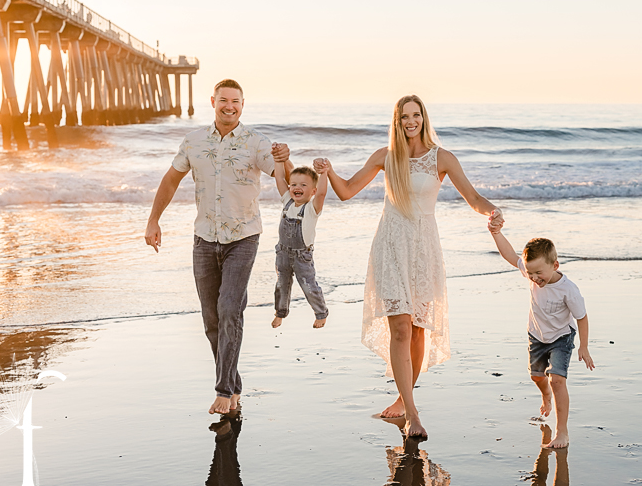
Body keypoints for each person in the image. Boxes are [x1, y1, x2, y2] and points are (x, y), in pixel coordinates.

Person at [314, 94, 503, 438]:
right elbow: (347, 191)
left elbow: (473, 198)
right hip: (391, 244)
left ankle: (403, 399)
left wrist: (493, 212)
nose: (411, 121)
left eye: (416, 115)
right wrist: (329, 172)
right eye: (405, 116)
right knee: (400, 327)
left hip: (424, 249)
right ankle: (414, 414)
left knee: (417, 329)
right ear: (397, 121)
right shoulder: (386, 157)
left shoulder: (441, 158)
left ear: (423, 118)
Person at [144, 78, 291, 415]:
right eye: (224, 100)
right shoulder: (194, 141)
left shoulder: (257, 142)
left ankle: (223, 390)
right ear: (213, 101)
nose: (229, 106)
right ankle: (234, 385)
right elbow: (170, 181)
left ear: (243, 104)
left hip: (243, 238)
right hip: (204, 239)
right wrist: (154, 220)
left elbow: (281, 179)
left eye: (235, 102)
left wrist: (284, 159)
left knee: (229, 309)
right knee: (211, 319)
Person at [487, 227, 595, 448]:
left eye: (539, 273)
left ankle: (562, 431)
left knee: (557, 379)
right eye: (530, 274)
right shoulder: (531, 272)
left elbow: (582, 317)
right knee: (537, 377)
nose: (534, 278)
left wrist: (584, 346)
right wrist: (496, 233)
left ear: (555, 265)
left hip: (561, 337)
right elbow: (509, 255)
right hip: (536, 335)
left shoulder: (568, 290)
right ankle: (546, 394)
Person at [270, 163, 329, 329]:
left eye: (303, 185)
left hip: (302, 256)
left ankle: (320, 314)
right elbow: (280, 179)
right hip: (282, 253)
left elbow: (323, 193)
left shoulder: (311, 209)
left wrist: (323, 173)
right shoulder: (287, 202)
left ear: (313, 191)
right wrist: (278, 161)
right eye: (294, 184)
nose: (297, 187)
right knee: (282, 285)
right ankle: (280, 313)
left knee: (308, 285)